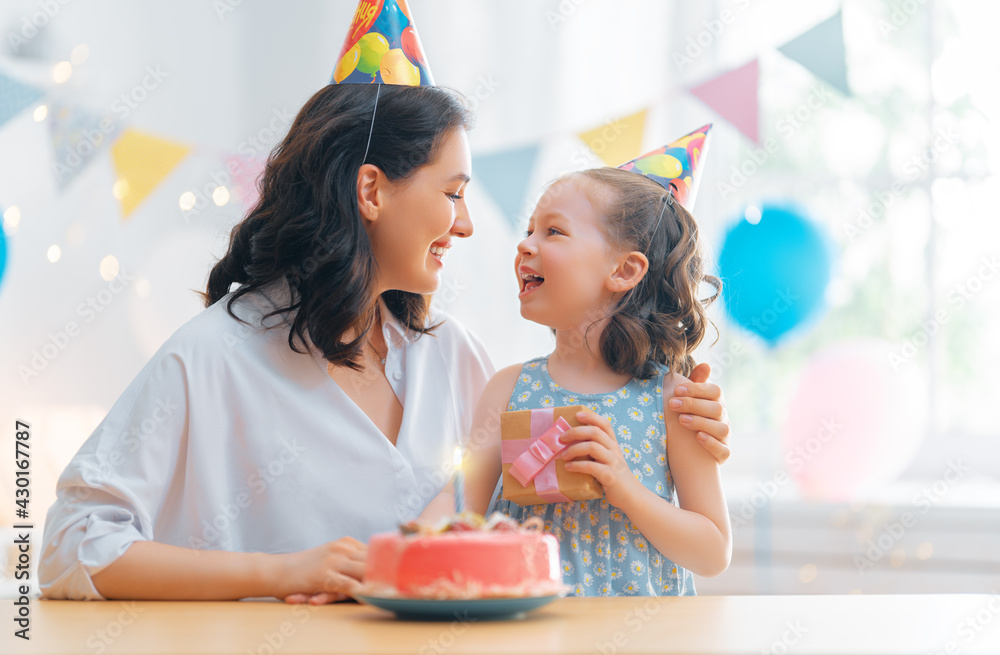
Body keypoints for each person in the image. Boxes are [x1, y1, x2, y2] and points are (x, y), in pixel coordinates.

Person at [38, 3, 732, 604]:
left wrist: (668, 424)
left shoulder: (451, 354)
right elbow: (72, 547)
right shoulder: (214, 353)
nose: (466, 225)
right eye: (453, 193)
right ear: (372, 192)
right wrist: (279, 571)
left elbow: (510, 517)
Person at [464, 163, 731, 596]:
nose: (525, 244)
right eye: (530, 229)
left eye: (553, 232)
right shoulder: (508, 389)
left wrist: (625, 487)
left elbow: (713, 552)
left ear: (624, 271)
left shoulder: (675, 401)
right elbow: (461, 507)